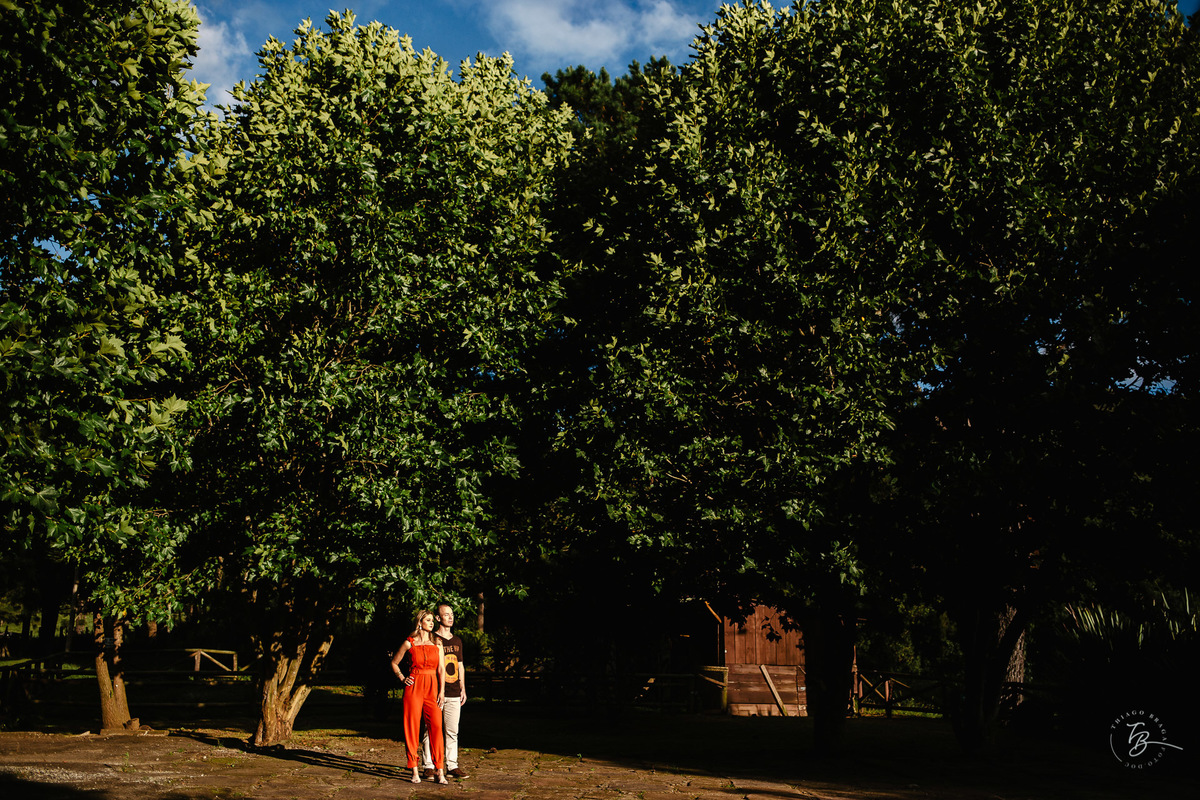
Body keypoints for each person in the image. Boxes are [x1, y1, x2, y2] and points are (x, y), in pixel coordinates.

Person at [391, 610, 447, 784]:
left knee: (436, 727)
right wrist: (402, 677)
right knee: (411, 727)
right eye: (428, 620)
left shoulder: (437, 642)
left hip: (432, 687)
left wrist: (442, 691)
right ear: (420, 622)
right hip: (414, 686)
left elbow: (441, 669)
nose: (431, 623)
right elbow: (394, 662)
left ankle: (440, 770)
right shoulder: (410, 642)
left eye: (432, 620)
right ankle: (414, 769)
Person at [420, 603, 469, 779]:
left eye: (452, 614)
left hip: (454, 691)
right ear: (438, 618)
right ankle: (428, 765)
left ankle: (452, 765)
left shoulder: (457, 641)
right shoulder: (432, 639)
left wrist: (463, 687)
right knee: (430, 729)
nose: (450, 617)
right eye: (446, 614)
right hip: (434, 692)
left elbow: (460, 665)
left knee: (452, 730)